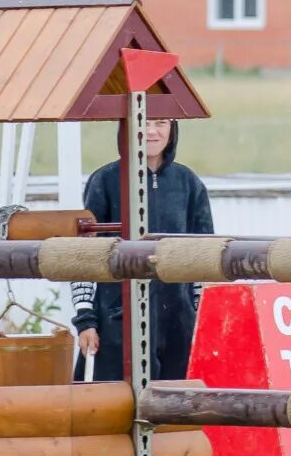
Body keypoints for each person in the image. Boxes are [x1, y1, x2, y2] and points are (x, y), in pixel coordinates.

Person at [72, 117, 214, 381]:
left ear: (173, 128)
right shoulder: (104, 181)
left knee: (173, 413)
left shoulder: (189, 183)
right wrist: (85, 320)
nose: (150, 131)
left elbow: (203, 255)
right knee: (115, 409)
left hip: (177, 324)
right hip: (116, 321)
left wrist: (200, 317)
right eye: (143, 122)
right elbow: (83, 255)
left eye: (160, 123)